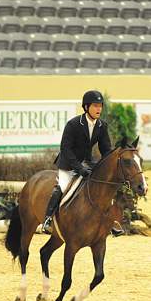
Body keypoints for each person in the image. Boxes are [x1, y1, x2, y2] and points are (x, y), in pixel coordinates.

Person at [42, 90, 113, 234]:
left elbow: (106, 150)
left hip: (87, 163)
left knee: (103, 188)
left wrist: (109, 165)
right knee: (61, 187)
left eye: (100, 106)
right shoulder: (73, 124)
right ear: (86, 107)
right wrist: (79, 168)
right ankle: (47, 219)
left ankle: (110, 221)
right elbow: (65, 149)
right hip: (68, 164)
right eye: (95, 106)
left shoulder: (102, 126)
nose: (99, 109)